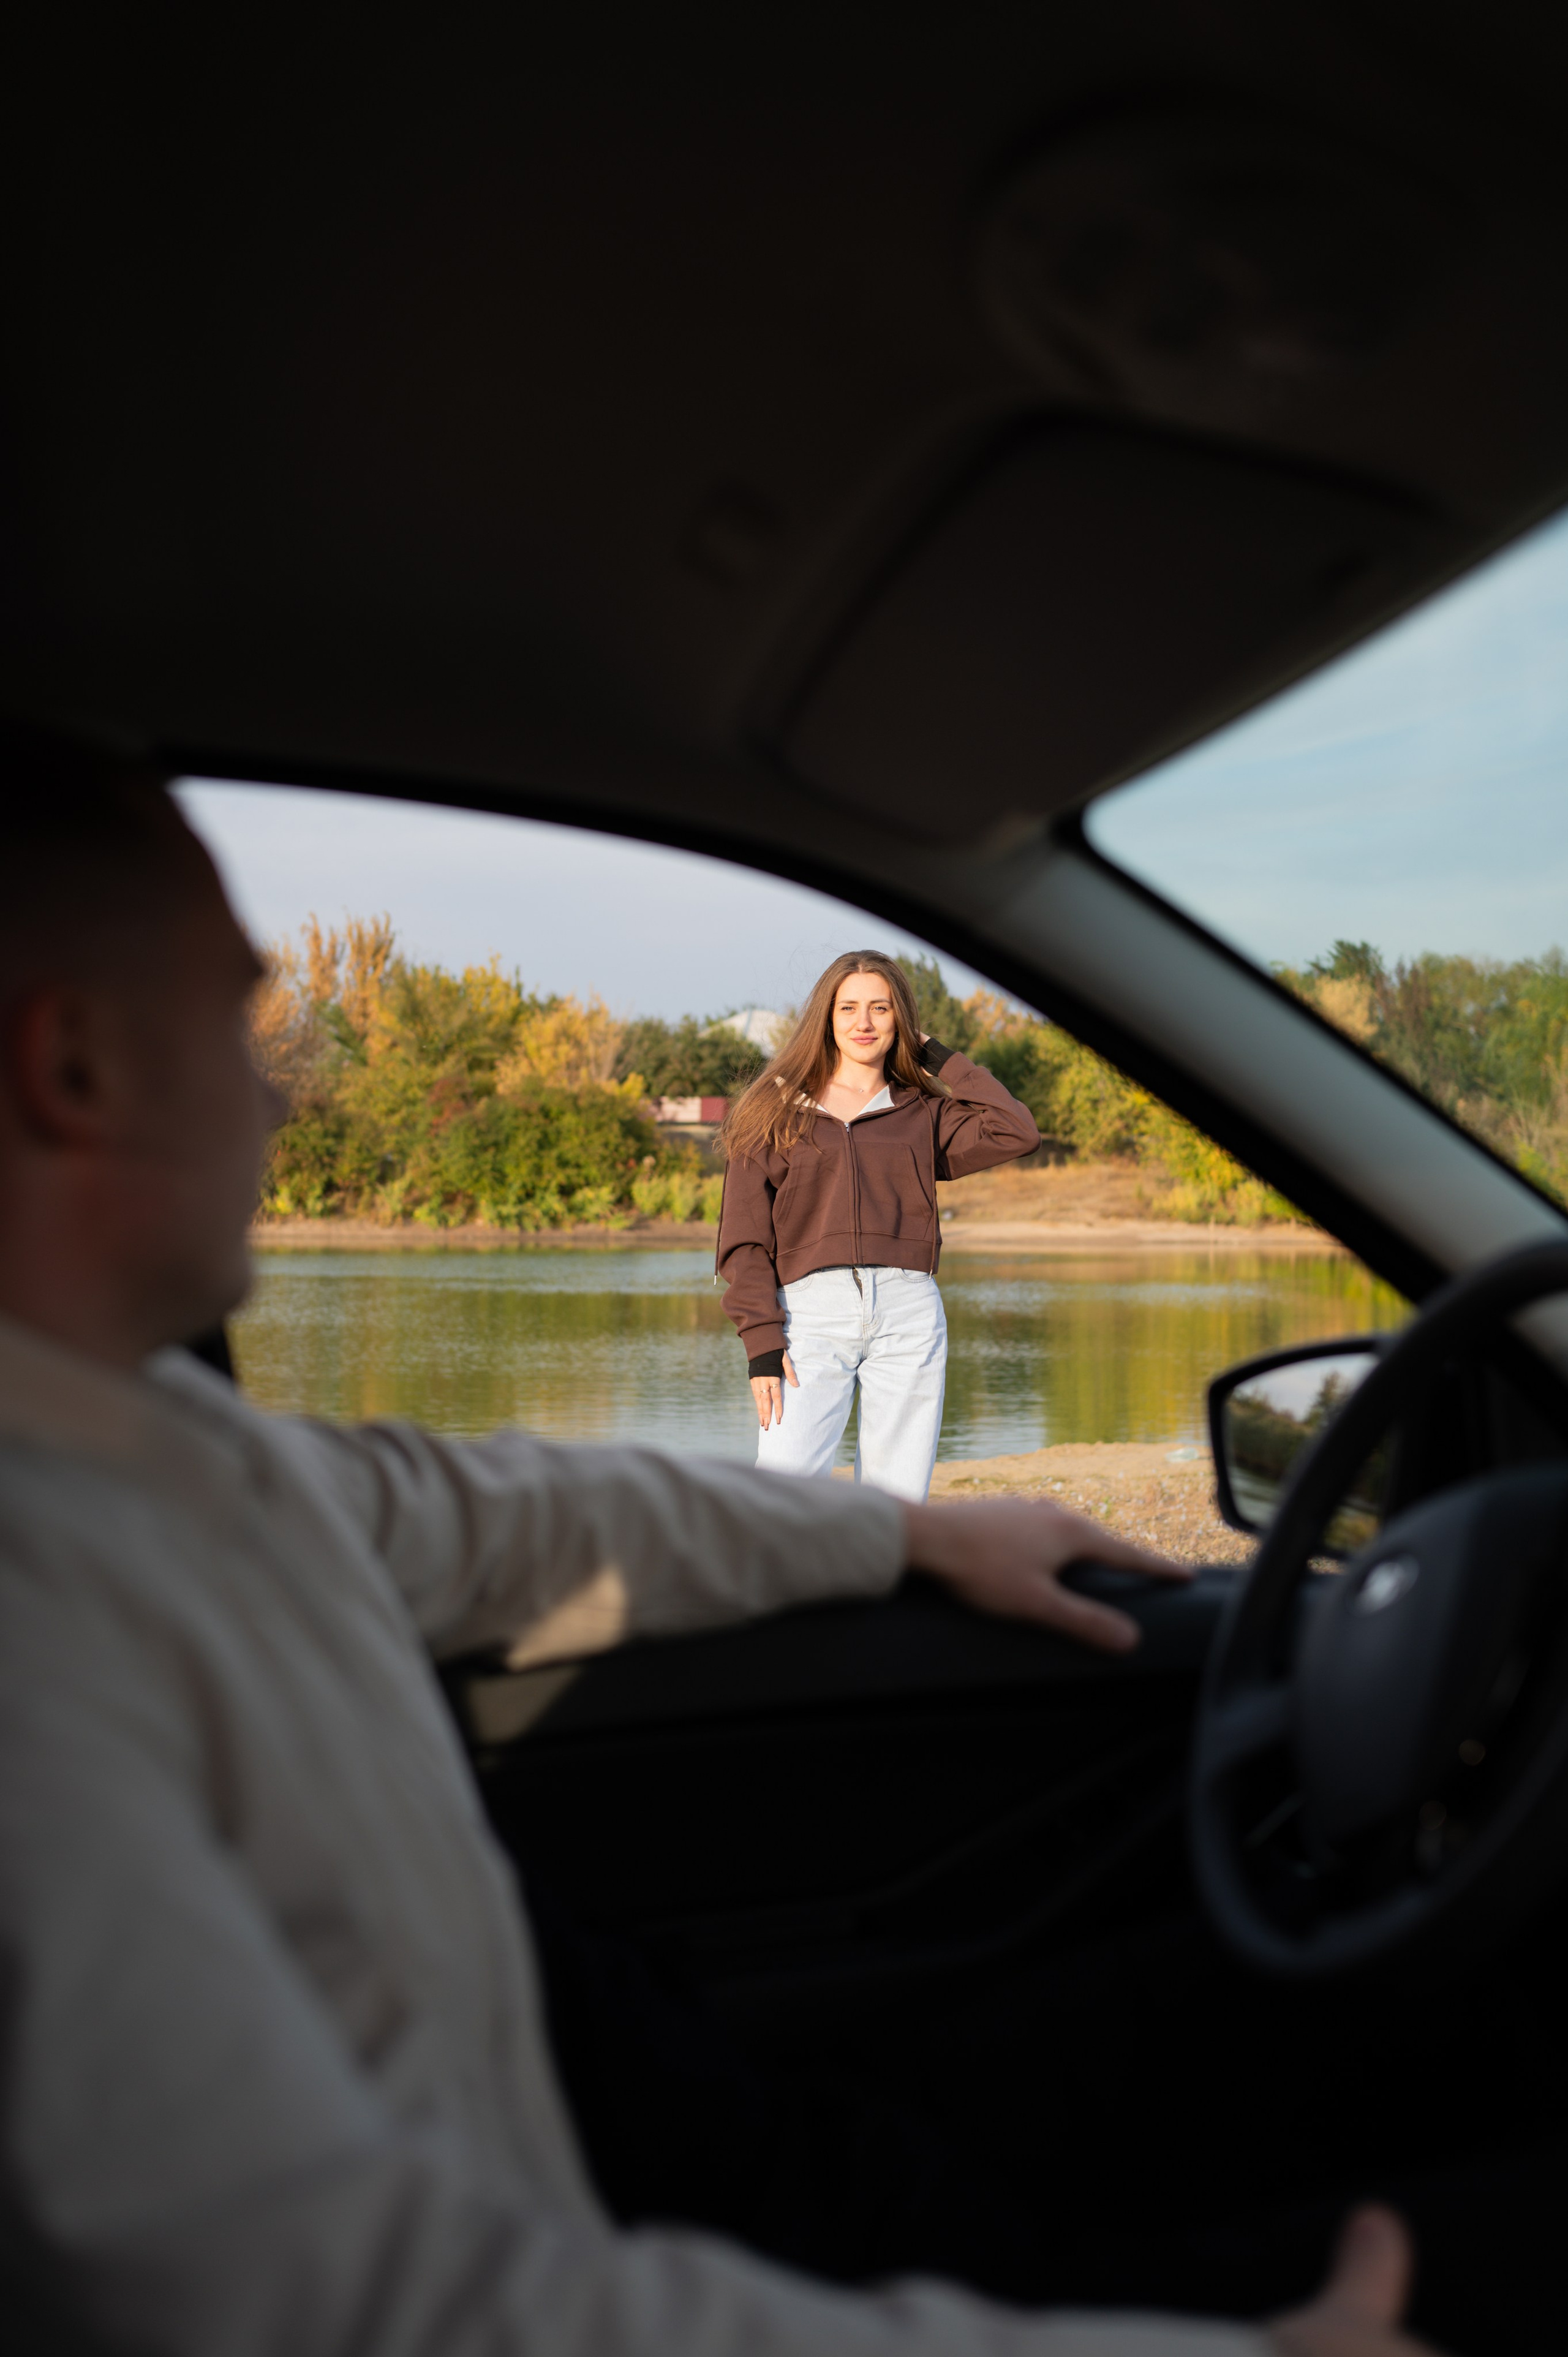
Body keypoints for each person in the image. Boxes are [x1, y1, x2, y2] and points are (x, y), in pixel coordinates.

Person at [0, 749, 1434, 2357]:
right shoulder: (38, 1647)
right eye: (234, 1021)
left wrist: (909, 1535)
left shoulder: (188, 1450)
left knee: (1047, 2085)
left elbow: (523, 1512)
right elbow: (357, 2306)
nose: (274, 1096)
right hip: (516, 2223)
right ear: (76, 1069)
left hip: (549, 2093)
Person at [717, 952, 1039, 1501]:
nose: (863, 1023)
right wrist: (762, 1343)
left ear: (901, 1020)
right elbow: (744, 1242)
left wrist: (939, 1057)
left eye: (880, 1008)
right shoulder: (772, 1113)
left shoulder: (923, 1113)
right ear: (826, 1017)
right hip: (807, 1318)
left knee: (896, 1499)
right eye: (848, 1008)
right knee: (781, 1489)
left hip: (908, 1311)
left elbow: (1016, 1130)